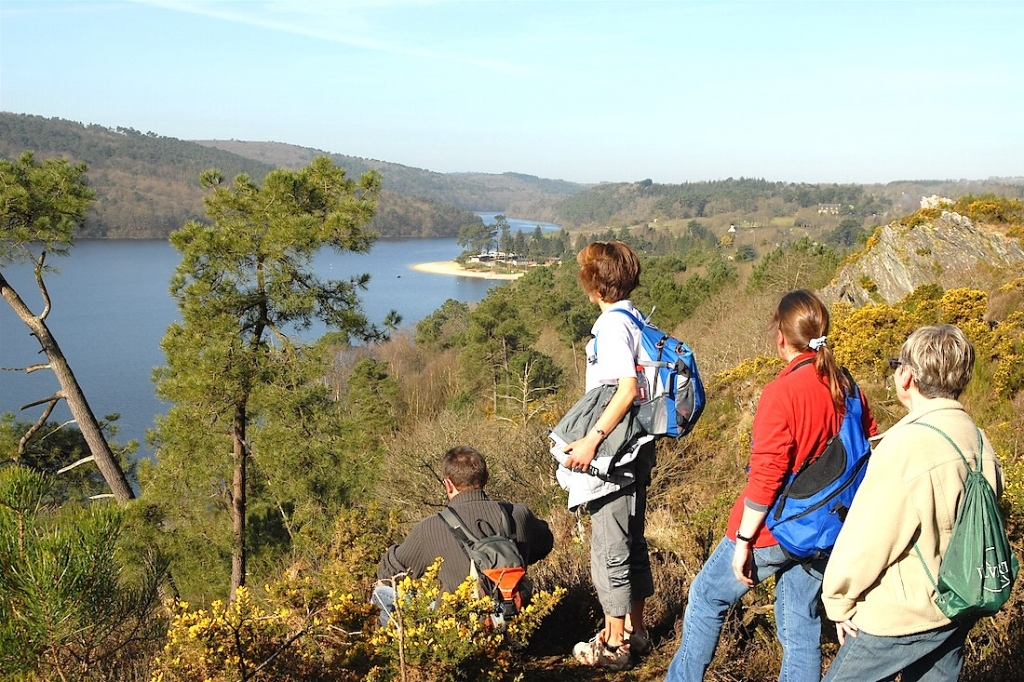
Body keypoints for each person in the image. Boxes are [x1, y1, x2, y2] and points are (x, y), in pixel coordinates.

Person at [665, 289, 878, 682]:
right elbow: (868, 445)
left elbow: (766, 477)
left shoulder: (782, 393)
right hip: (829, 526)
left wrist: (744, 542)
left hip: (773, 531)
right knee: (800, 626)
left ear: (781, 336)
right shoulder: (845, 384)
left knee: (706, 597)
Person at [821, 324, 1005, 682]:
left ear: (907, 376)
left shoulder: (906, 445)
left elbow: (870, 537)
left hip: (903, 613)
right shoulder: (979, 440)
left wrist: (838, 599)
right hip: (960, 601)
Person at [557, 240, 658, 670]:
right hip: (636, 449)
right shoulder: (636, 319)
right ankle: (635, 632)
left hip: (615, 455)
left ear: (593, 285)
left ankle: (614, 644)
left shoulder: (613, 326)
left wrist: (591, 440)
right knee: (631, 542)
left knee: (609, 546)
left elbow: (627, 389)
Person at [373, 445, 553, 625]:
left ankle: (390, 650)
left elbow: (389, 572)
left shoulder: (429, 528)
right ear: (486, 478)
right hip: (518, 623)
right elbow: (545, 543)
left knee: (383, 593)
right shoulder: (519, 514)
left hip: (458, 633)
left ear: (448, 484)